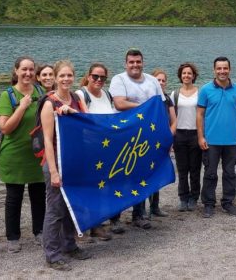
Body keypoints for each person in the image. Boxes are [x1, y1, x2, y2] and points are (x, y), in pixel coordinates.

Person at [40, 60, 92, 271]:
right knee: (55, 210)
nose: (66, 79)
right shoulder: (49, 104)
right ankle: (52, 254)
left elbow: (89, 123)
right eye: (61, 76)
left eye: (69, 75)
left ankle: (69, 245)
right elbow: (47, 140)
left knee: (72, 207)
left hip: (74, 161)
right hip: (56, 163)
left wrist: (73, 113)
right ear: (54, 77)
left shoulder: (77, 98)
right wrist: (53, 171)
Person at [108, 48, 165, 230]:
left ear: (143, 62)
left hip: (146, 135)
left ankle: (138, 215)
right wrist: (144, 107)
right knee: (119, 175)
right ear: (126, 64)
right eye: (131, 62)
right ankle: (115, 218)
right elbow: (119, 103)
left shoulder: (152, 80)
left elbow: (159, 105)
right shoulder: (119, 79)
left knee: (141, 175)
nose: (135, 65)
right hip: (123, 136)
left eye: (138, 61)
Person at [0, 56, 47, 253]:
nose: (27, 73)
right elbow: (6, 128)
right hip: (14, 155)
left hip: (37, 153)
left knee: (38, 195)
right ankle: (13, 237)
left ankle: (40, 231)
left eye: (31, 69)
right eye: (23, 69)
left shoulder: (41, 92)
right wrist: (22, 107)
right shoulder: (7, 95)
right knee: (14, 197)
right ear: (16, 71)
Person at [196, 57, 236, 218]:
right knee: (210, 173)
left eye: (225, 68)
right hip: (211, 140)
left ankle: (228, 203)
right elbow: (200, 114)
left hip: (232, 140)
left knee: (230, 173)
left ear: (229, 70)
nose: (222, 71)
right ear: (214, 70)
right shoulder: (205, 89)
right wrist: (200, 136)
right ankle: (209, 204)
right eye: (219, 68)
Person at [75, 62, 115, 240]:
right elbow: (82, 120)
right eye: (95, 76)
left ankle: (97, 224)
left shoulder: (107, 94)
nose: (99, 80)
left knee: (101, 187)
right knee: (89, 187)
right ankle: (86, 224)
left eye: (103, 77)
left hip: (105, 149)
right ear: (88, 76)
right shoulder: (80, 94)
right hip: (87, 150)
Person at [171, 62, 201, 212]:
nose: (186, 76)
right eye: (184, 73)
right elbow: (171, 116)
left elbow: (204, 115)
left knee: (195, 169)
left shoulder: (200, 93)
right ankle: (183, 198)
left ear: (194, 76)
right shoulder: (175, 94)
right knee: (182, 169)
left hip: (196, 133)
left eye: (189, 73)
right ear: (180, 76)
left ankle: (194, 197)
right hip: (180, 134)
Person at [149, 68, 177, 218]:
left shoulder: (167, 98)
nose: (160, 83)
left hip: (162, 142)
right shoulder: (147, 99)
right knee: (145, 174)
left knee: (157, 173)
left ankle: (155, 207)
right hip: (146, 142)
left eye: (163, 80)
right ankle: (140, 210)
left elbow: (174, 121)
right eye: (157, 80)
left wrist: (168, 137)